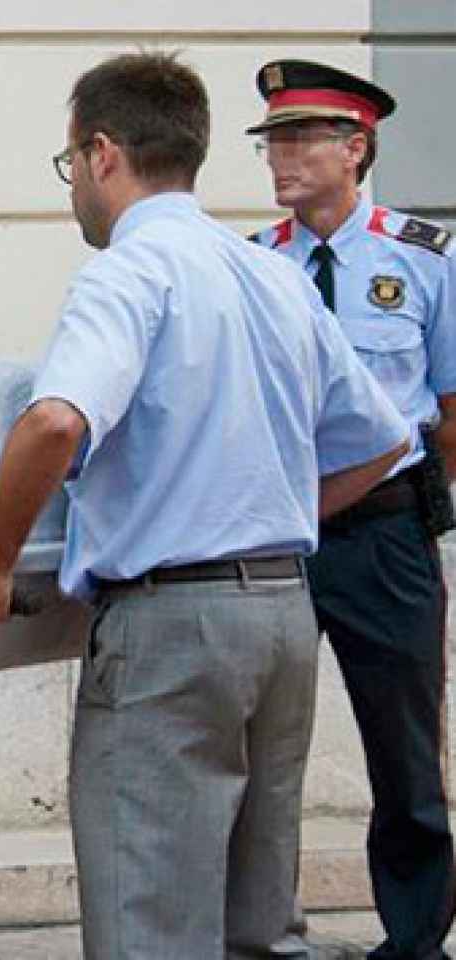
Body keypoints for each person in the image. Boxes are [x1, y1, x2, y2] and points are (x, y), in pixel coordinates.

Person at [0, 52, 409, 958]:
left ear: (103, 153)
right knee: (259, 924)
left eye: (72, 166)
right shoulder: (272, 277)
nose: (75, 188)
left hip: (171, 628)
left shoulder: (128, 273)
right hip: (280, 613)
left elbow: (55, 422)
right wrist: (257, 509)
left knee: (150, 920)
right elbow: (382, 443)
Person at [249, 59, 456, 960]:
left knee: (405, 756)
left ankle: (413, 944)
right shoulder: (255, 266)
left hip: (385, 538)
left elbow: (451, 411)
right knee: (258, 758)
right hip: (277, 537)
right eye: (273, 141)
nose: (280, 157)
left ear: (356, 147)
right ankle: (260, 932)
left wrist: (420, 505)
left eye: (300, 138)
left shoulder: (424, 259)